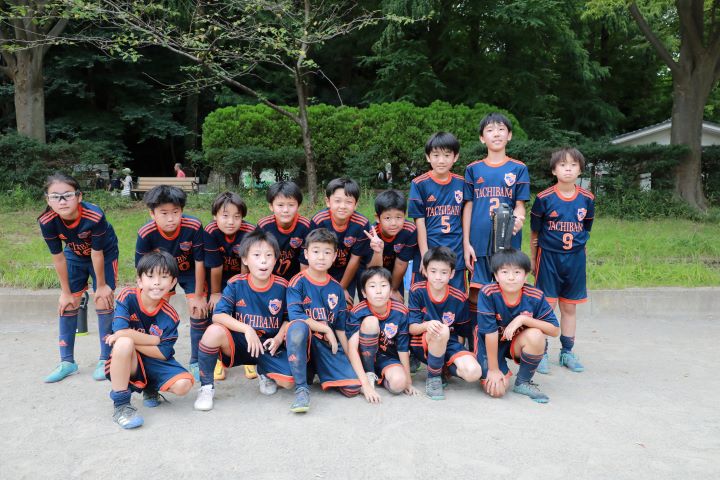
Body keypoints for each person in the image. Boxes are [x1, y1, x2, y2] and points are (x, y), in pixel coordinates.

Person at [194, 230, 294, 411]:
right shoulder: (236, 283)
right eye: (257, 255)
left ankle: (264, 371)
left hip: (267, 345)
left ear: (276, 259)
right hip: (241, 341)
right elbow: (218, 315)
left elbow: (288, 319)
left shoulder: (283, 286)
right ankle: (206, 387)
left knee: (288, 382)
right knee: (213, 331)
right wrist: (247, 329)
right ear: (245, 259)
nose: (263, 261)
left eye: (269, 255)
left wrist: (279, 338)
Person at [38, 173, 119, 383]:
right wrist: (65, 292)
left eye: (68, 195)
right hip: (74, 254)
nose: (62, 201)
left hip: (104, 253)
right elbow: (58, 258)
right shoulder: (47, 221)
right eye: (55, 196)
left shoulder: (94, 216)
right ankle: (67, 362)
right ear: (48, 200)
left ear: (79, 196)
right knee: (68, 303)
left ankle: (106, 358)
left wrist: (101, 286)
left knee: (103, 299)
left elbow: (97, 253)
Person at [105, 251, 194, 429]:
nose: (157, 282)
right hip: (127, 359)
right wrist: (153, 340)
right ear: (139, 280)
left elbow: (163, 352)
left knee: (184, 384)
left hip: (154, 360)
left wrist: (131, 338)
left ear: (173, 283)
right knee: (124, 343)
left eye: (164, 277)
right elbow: (120, 331)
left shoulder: (171, 316)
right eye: (150, 276)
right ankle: (121, 406)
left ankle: (150, 387)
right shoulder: (127, 296)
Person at [530, 147, 595, 374]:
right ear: (554, 170)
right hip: (548, 258)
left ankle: (567, 352)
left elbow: (586, 228)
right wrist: (532, 259)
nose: (568, 169)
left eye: (573, 165)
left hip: (575, 260)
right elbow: (535, 233)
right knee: (546, 306)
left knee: (569, 306)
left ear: (580, 170)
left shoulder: (587, 198)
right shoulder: (544, 198)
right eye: (563, 165)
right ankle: (541, 352)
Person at [285, 228, 362, 413]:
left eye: (327, 252)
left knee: (353, 388)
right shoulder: (297, 282)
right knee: (298, 327)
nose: (321, 257)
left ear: (334, 256)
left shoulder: (336, 288)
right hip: (305, 344)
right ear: (306, 254)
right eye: (316, 251)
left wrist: (349, 360)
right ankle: (301, 390)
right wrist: (326, 329)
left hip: (326, 346)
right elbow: (296, 316)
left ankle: (321, 370)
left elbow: (341, 328)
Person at [135, 185, 207, 379]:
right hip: (161, 274)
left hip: (189, 271)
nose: (170, 218)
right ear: (152, 213)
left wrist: (198, 296)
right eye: (164, 213)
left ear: (182, 210)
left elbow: (200, 262)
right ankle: (156, 356)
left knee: (198, 309)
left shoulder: (193, 226)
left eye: (175, 212)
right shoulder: (146, 233)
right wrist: (147, 298)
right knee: (154, 310)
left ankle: (196, 360)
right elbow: (142, 269)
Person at [463, 113, 530, 316]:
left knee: (508, 289)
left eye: (501, 129)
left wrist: (518, 219)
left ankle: (505, 332)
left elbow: (520, 205)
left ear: (509, 135)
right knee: (477, 291)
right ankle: (478, 333)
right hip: (479, 242)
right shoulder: (473, 169)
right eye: (490, 130)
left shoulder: (518, 168)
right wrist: (466, 243)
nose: (496, 134)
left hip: (507, 242)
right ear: (482, 138)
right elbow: (468, 206)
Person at [475, 249, 560, 403]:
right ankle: (489, 367)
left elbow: (554, 330)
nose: (511, 277)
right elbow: (490, 333)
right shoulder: (488, 293)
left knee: (536, 335)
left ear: (525, 276)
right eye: (505, 272)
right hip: (489, 343)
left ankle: (523, 381)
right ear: (496, 276)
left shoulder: (534, 295)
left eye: (517, 272)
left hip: (515, 343)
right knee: (497, 391)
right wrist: (493, 370)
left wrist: (523, 319)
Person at [408, 247, 482, 400]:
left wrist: (458, 355)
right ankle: (434, 377)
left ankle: (442, 367)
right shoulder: (417, 291)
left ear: (452, 274)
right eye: (433, 271)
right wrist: (427, 325)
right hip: (422, 341)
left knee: (474, 372)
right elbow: (412, 328)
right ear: (425, 271)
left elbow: (463, 332)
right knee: (441, 330)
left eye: (444, 272)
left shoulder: (459, 298)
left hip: (448, 342)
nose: (438, 277)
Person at [204, 191, 256, 381]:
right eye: (225, 216)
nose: (231, 222)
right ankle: (219, 359)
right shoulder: (210, 231)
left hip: (243, 275)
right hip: (217, 276)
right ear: (215, 216)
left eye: (237, 216)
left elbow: (246, 264)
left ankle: (248, 356)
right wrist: (215, 292)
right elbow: (215, 266)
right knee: (217, 312)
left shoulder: (249, 230)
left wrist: (243, 290)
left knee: (245, 310)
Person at [346, 267, 417, 403]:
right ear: (363, 292)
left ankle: (381, 379)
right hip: (364, 358)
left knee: (399, 384)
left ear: (390, 291)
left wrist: (408, 381)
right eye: (372, 286)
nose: (378, 291)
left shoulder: (401, 311)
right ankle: (369, 374)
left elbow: (402, 348)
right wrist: (366, 386)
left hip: (387, 358)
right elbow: (352, 349)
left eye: (383, 286)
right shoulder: (357, 311)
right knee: (371, 321)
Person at [408, 132, 466, 291]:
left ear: (455, 157)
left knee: (456, 297)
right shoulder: (419, 184)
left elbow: (466, 218)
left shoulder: (462, 183)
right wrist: (425, 256)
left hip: (456, 251)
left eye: (447, 155)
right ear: (428, 157)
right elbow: (419, 223)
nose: (441, 160)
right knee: (424, 296)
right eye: (436, 155)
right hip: (429, 249)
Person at [302, 178, 371, 304]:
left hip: (347, 270)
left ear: (356, 204)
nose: (342, 206)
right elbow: (311, 254)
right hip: (323, 266)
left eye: (348, 202)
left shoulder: (362, 224)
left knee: (344, 305)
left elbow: (355, 259)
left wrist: (341, 288)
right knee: (319, 303)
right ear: (328, 202)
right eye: (337, 201)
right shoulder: (319, 221)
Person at [365, 189, 418, 301]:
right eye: (387, 218)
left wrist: (392, 290)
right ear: (377, 218)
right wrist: (378, 252)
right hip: (372, 269)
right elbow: (372, 269)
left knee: (397, 303)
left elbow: (401, 264)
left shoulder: (410, 230)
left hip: (395, 271)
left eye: (398, 217)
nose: (393, 223)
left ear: (405, 215)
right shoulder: (372, 234)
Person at [257, 181, 311, 282]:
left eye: (291, 205)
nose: (286, 210)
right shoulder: (264, 226)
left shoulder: (305, 226)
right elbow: (257, 258)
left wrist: (300, 285)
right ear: (271, 206)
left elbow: (305, 261)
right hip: (269, 278)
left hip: (296, 278)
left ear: (298, 206)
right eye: (280, 205)